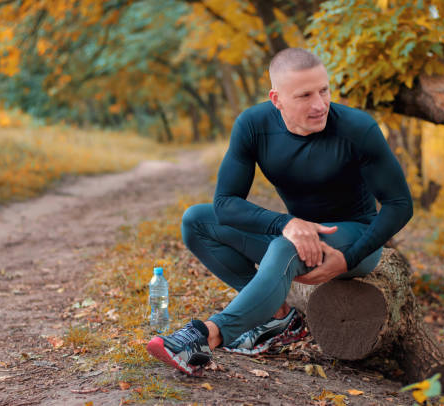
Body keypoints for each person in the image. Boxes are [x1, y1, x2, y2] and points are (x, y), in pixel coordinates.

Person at [146, 47, 413, 375]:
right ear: (277, 99)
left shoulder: (358, 129)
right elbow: (225, 203)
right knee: (197, 221)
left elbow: (400, 204)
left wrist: (351, 255)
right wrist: (286, 222)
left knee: (285, 246)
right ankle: (279, 319)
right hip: (298, 233)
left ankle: (206, 337)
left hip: (354, 236)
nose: (320, 105)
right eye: (304, 95)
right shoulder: (253, 125)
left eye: (324, 90)